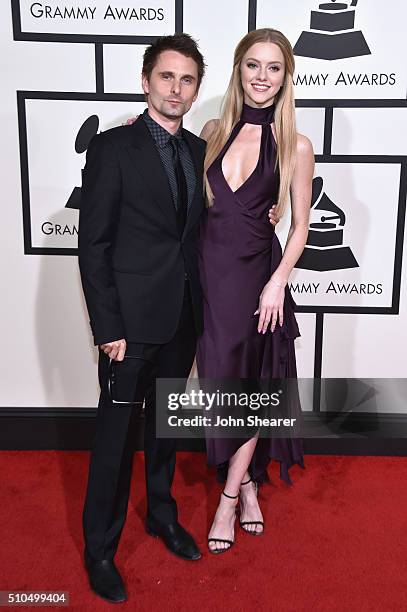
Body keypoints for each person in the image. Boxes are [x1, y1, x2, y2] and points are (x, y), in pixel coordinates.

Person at [78, 34, 208, 603]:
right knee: (114, 439)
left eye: (187, 80)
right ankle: (100, 549)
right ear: (146, 81)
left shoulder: (201, 151)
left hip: (183, 318)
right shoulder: (112, 148)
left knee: (165, 430)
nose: (175, 88)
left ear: (195, 88)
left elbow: (203, 229)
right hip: (128, 327)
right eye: (166, 77)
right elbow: (94, 245)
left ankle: (161, 515)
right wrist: (108, 328)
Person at [196, 28, 314, 553]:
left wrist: (276, 284)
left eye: (273, 67)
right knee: (221, 388)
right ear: (239, 70)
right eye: (253, 65)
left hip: (258, 282)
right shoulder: (211, 131)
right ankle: (247, 484)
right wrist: (139, 127)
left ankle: (226, 499)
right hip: (208, 279)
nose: (261, 76)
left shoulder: (295, 145)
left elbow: (301, 227)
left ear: (286, 76)